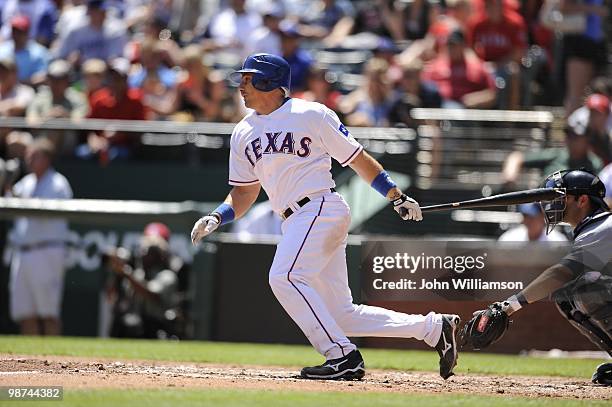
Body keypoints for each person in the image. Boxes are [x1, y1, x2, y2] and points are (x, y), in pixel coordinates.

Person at [190, 53, 461, 381]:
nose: (241, 86)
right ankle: (434, 328)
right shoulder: (242, 132)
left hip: (319, 208)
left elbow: (357, 159)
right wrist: (218, 216)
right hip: (294, 220)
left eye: (248, 78)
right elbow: (244, 192)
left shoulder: (311, 114)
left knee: (285, 277)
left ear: (268, 81)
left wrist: (396, 195)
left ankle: (342, 356)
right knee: (342, 316)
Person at [470, 169, 612, 385]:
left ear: (582, 200)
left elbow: (561, 273)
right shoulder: (594, 229)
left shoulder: (602, 228)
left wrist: (510, 306)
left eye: (559, 198)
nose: (552, 204)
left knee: (585, 288)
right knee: (569, 296)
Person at [7, 137, 73, 335]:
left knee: (48, 313)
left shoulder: (58, 184)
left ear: (46, 159)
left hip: (47, 251)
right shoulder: (25, 183)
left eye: (34, 156)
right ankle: (32, 360)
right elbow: (10, 205)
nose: (29, 160)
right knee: (25, 313)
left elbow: (45, 213)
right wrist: (7, 185)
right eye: (28, 156)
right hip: (22, 251)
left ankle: (54, 363)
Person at [421, 29, 497, 109]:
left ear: (464, 46)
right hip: (438, 108)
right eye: (449, 45)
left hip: (467, 111)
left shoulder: (477, 67)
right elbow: (424, 87)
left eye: (455, 45)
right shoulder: (436, 65)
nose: (451, 48)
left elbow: (492, 94)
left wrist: (476, 99)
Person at [0, 15, 49, 85]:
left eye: (20, 32)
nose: (16, 35)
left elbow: (43, 75)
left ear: (27, 33)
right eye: (14, 31)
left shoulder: (39, 52)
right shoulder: (2, 49)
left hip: (30, 90)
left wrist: (19, 84)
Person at [498, 203, 567, 242]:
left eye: (531, 217)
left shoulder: (558, 241)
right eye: (525, 216)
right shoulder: (510, 238)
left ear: (542, 217)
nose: (526, 221)